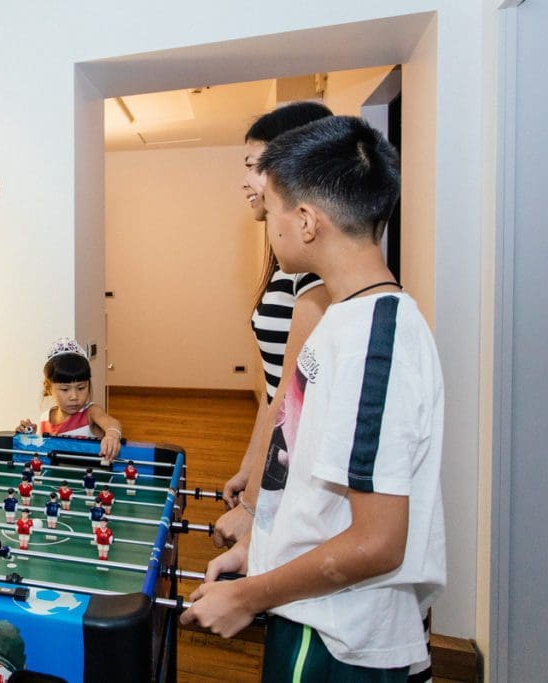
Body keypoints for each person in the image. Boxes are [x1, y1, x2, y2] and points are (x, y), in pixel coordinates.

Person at [180, 116, 445, 680]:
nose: (266, 221)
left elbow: (377, 542)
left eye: (273, 207)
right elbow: (304, 483)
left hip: (337, 637)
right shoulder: (338, 317)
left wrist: (249, 596)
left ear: (305, 221)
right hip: (305, 607)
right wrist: (258, 548)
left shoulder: (376, 344)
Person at [213, 102, 334, 548]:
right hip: (279, 471)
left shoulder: (316, 276)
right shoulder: (287, 264)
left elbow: (292, 401)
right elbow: (272, 391)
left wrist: (254, 506)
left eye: (253, 165)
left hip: (302, 482)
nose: (246, 180)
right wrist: (248, 471)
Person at [16, 338, 122, 463]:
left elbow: (112, 423)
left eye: (81, 388)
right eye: (65, 389)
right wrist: (30, 437)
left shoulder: (91, 412)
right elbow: (43, 454)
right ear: (48, 388)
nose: (74, 396)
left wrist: (112, 435)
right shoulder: (45, 418)